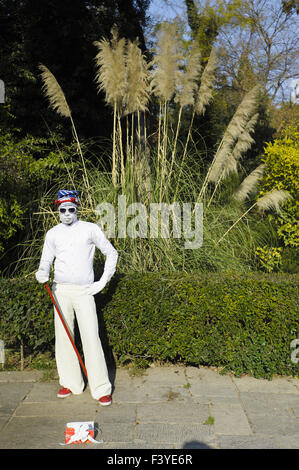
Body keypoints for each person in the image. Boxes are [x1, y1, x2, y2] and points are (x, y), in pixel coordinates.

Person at [35, 190, 118, 406]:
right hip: (60, 291)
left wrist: (102, 282)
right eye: (63, 210)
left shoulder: (90, 229)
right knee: (64, 339)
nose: (67, 214)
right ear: (58, 211)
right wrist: (42, 271)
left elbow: (111, 253)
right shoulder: (53, 234)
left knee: (92, 337)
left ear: (77, 208)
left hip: (84, 292)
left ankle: (101, 388)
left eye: (71, 209)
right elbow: (45, 261)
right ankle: (71, 383)